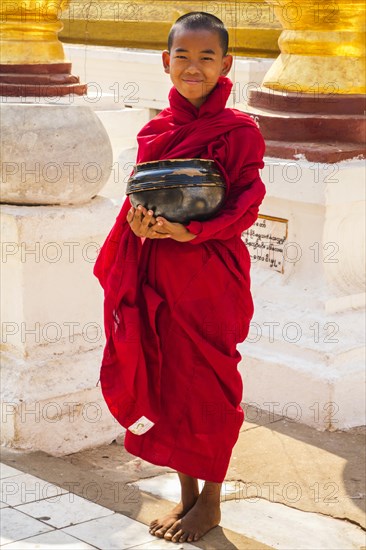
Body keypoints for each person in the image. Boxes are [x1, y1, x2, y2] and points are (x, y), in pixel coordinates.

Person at [93, 11, 266, 544]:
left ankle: (210, 503)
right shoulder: (155, 131)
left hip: (210, 273)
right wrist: (141, 226)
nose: (194, 67)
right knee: (167, 381)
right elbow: (142, 200)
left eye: (206, 57)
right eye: (183, 57)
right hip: (159, 270)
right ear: (166, 63)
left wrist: (196, 234)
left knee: (210, 384)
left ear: (226, 64)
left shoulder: (239, 132)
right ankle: (187, 497)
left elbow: (248, 201)